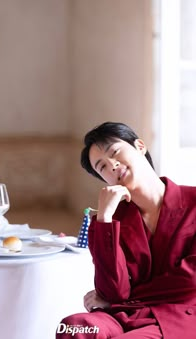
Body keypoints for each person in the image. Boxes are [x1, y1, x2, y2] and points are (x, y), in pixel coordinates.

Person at [56, 122, 196, 339]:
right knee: (73, 326)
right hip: (124, 316)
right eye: (102, 167)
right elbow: (112, 291)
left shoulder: (193, 202)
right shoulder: (108, 221)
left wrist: (122, 300)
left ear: (140, 147)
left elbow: (190, 281)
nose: (111, 165)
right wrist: (105, 219)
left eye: (115, 152)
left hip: (179, 316)